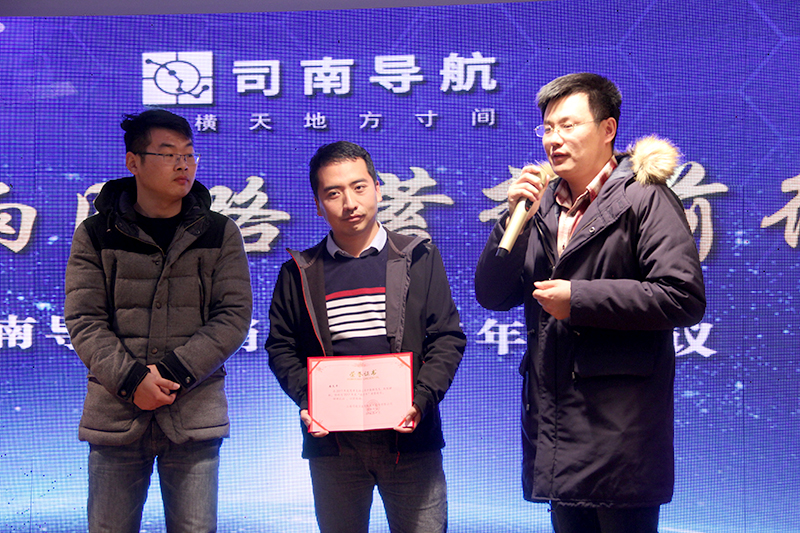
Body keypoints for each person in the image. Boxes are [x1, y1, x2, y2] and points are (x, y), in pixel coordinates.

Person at [475, 73, 706, 533]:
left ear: (607, 129)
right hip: (557, 426)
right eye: (547, 128)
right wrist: (511, 217)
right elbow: (493, 295)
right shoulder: (539, 205)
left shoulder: (645, 197)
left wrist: (579, 299)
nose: (553, 139)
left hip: (620, 430)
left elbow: (682, 296)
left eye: (568, 125)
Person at [65, 109, 253, 533]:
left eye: (189, 154)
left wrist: (169, 374)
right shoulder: (95, 234)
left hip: (193, 416)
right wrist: (134, 381)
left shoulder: (219, 232)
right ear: (133, 161)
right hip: (116, 415)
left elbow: (233, 316)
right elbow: (84, 319)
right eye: (168, 154)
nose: (183, 165)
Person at [266, 141, 465, 533]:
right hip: (334, 446)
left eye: (359, 187)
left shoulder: (418, 256)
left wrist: (421, 400)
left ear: (378, 188)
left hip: (410, 440)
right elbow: (280, 347)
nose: (349, 203)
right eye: (333, 193)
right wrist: (308, 399)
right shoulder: (299, 272)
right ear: (318, 204)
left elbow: (447, 337)